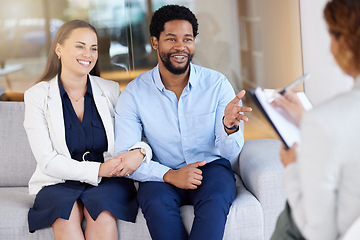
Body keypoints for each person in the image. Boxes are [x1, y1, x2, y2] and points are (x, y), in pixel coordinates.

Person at [113, 5, 252, 240]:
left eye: (188, 39)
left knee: (216, 198)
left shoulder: (217, 84)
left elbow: (231, 154)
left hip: (211, 169)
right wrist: (169, 175)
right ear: (155, 42)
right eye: (171, 39)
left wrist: (230, 127)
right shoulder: (134, 93)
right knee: (155, 202)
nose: (181, 47)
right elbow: (124, 156)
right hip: (161, 171)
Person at [23, 20, 152, 239]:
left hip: (109, 182)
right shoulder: (37, 96)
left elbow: (139, 136)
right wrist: (99, 170)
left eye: (93, 48)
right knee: (66, 215)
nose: (88, 54)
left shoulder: (110, 90)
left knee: (101, 214)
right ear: (59, 49)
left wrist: (140, 152)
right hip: (58, 182)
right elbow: (47, 161)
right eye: (80, 46)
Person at [270, 0, 360, 239]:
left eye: (331, 35)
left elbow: (320, 234)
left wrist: (291, 168)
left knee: (288, 219)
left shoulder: (326, 120)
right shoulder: (324, 121)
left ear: (345, 41)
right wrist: (308, 120)